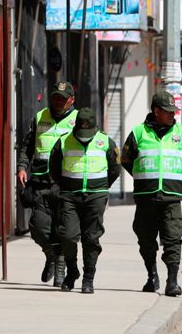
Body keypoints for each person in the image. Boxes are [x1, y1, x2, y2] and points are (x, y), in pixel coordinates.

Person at [121, 90, 182, 297]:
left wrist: (172, 177)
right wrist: (145, 176)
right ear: (156, 110)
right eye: (168, 111)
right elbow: (126, 160)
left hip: (171, 197)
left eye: (174, 111)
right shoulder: (138, 133)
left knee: (173, 238)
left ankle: (173, 281)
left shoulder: (181, 133)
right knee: (145, 238)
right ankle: (152, 276)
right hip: (146, 197)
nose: (173, 114)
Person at [49, 108, 121, 293]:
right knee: (67, 235)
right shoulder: (63, 141)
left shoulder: (105, 141)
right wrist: (66, 186)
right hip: (69, 196)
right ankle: (72, 271)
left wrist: (102, 188)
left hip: (96, 197)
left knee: (91, 238)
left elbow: (115, 168)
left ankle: (88, 278)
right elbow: (54, 168)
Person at [16, 81, 78, 286]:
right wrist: (22, 167)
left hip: (66, 182)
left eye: (63, 98)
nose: (58, 101)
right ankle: (51, 254)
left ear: (72, 100)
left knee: (63, 228)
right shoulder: (40, 117)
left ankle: (60, 265)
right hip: (41, 181)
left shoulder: (79, 120)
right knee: (38, 227)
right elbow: (27, 146)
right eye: (56, 97)